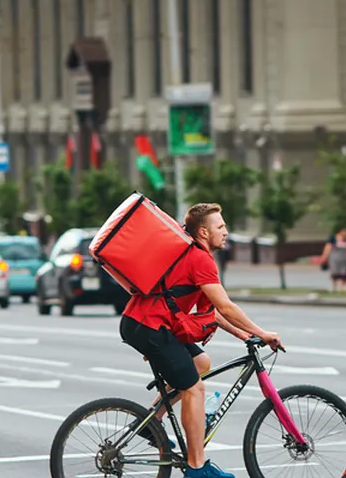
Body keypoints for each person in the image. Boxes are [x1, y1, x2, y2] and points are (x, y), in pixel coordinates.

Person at [119, 202, 282, 478]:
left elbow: (214, 312)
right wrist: (263, 333)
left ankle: (151, 422)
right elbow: (227, 306)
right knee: (194, 390)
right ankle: (197, 468)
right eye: (220, 227)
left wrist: (245, 335)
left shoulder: (193, 255)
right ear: (203, 232)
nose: (226, 232)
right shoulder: (199, 258)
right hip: (149, 326)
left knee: (200, 362)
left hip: (144, 323)